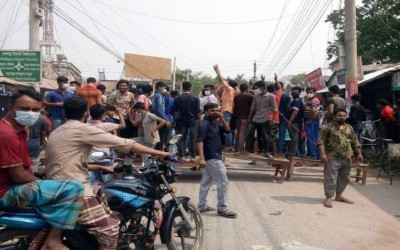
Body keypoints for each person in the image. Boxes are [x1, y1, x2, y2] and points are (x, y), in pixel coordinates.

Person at [45, 97, 169, 250]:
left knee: (103, 198)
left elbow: (67, 163)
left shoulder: (57, 131)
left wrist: (101, 168)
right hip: (73, 191)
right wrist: (160, 153)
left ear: (64, 113)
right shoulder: (82, 129)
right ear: (86, 114)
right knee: (110, 231)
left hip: (56, 186)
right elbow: (125, 143)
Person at [0, 89, 84, 250]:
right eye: (24, 109)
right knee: (74, 188)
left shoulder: (19, 127)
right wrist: (41, 181)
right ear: (11, 108)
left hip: (11, 184)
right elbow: (18, 175)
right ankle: (53, 240)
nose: (31, 113)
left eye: (35, 110)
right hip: (6, 192)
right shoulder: (7, 134)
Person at [197, 102, 237, 218]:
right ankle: (222, 208)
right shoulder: (204, 124)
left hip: (214, 156)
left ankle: (202, 205)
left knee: (205, 182)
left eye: (216, 110)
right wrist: (201, 158)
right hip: (212, 157)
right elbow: (199, 141)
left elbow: (228, 130)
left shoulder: (215, 123)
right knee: (223, 182)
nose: (215, 113)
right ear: (206, 112)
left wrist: (222, 119)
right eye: (212, 111)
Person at [318, 109, 363, 208]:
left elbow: (355, 142)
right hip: (332, 157)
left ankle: (339, 195)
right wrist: (322, 154)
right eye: (339, 115)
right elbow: (321, 142)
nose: (342, 117)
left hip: (347, 157)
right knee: (331, 178)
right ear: (334, 116)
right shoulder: (327, 127)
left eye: (344, 115)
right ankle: (328, 197)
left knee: (345, 178)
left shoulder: (349, 128)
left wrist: (359, 153)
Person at [87, 104, 126, 184]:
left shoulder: (86, 124)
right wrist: (119, 113)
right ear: (103, 115)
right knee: (106, 183)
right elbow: (123, 125)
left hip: (89, 158)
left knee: (90, 184)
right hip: (103, 158)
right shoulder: (105, 125)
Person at [245, 80, 277, 157]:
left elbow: (275, 109)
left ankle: (266, 151)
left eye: (256, 88)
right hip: (255, 119)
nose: (255, 90)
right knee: (249, 134)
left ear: (262, 88)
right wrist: (249, 118)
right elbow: (252, 108)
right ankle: (247, 149)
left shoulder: (271, 96)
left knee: (265, 136)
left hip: (265, 119)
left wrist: (273, 120)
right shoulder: (256, 96)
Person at [173, 81, 201, 161]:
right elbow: (198, 111)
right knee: (193, 138)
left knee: (182, 138)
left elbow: (176, 111)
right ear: (190, 87)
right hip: (193, 120)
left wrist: (179, 117)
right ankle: (193, 157)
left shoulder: (178, 98)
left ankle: (182, 156)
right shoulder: (195, 97)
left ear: (183, 87)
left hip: (182, 120)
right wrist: (199, 120)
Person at [213, 64, 240, 150]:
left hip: (226, 110)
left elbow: (221, 79)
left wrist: (217, 70)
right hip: (226, 110)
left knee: (226, 127)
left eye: (227, 82)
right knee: (225, 127)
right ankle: (228, 144)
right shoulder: (231, 90)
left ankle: (229, 145)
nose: (226, 82)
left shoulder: (229, 89)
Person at [233, 83, 253, 152]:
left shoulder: (236, 97)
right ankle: (241, 149)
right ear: (247, 88)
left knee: (238, 133)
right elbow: (252, 108)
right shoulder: (250, 96)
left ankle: (236, 148)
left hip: (238, 117)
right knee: (242, 133)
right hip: (245, 117)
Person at [152, 81, 172, 150]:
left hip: (157, 118)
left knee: (159, 137)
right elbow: (160, 110)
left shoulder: (156, 95)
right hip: (160, 119)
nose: (165, 89)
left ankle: (158, 153)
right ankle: (159, 155)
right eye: (164, 87)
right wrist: (166, 120)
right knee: (161, 137)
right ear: (159, 87)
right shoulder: (159, 96)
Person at [303, 87, 321, 159]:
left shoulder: (313, 101)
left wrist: (310, 120)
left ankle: (313, 155)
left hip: (312, 121)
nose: (308, 94)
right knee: (312, 137)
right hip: (313, 120)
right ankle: (312, 154)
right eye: (307, 92)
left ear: (314, 92)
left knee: (311, 138)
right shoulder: (312, 100)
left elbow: (313, 111)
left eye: (310, 92)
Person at [287, 86, 304, 157]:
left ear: (299, 93)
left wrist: (289, 122)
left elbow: (295, 112)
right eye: (292, 92)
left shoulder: (297, 101)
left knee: (294, 138)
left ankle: (293, 154)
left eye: (295, 92)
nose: (293, 93)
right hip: (297, 122)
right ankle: (297, 154)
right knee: (295, 138)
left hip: (294, 122)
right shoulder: (296, 100)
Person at [277, 82, 291, 156]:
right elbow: (288, 108)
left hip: (274, 117)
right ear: (282, 87)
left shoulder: (273, 95)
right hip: (283, 117)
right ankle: (279, 151)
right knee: (281, 135)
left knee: (272, 135)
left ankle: (272, 150)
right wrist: (288, 117)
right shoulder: (286, 96)